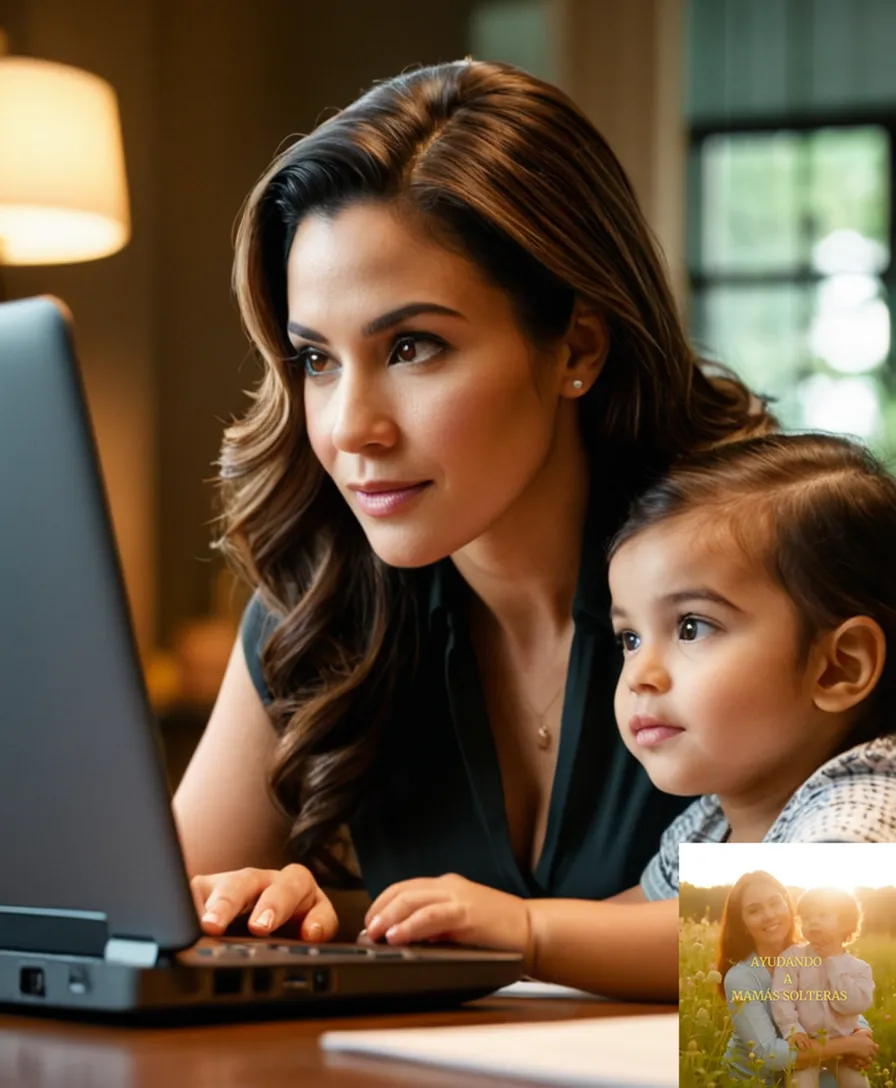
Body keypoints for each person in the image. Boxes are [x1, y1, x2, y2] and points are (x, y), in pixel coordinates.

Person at [171, 58, 770, 999]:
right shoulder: (325, 600)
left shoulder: (775, 575)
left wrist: (528, 936)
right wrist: (258, 912)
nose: (347, 428)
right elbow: (143, 928)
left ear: (576, 345)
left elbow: (831, 964)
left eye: (413, 348)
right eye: (317, 360)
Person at [608, 433, 896, 900]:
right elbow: (620, 932)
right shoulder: (711, 819)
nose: (640, 674)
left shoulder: (867, 805)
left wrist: (531, 932)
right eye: (631, 638)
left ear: (839, 667)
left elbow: (784, 943)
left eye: (691, 628)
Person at [715, 872, 877, 1085]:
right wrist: (849, 1045)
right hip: (757, 1079)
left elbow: (841, 1003)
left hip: (811, 1064)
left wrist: (862, 1032)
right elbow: (767, 1053)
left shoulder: (815, 952)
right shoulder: (741, 977)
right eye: (754, 910)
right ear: (743, 923)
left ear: (788, 906)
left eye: (775, 903)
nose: (769, 915)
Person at [771, 887, 874, 1088]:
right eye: (807, 918)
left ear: (845, 923)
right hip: (807, 1044)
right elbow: (781, 997)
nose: (813, 922)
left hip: (843, 1049)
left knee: (858, 1083)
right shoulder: (792, 958)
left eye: (822, 915)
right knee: (800, 1083)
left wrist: (833, 961)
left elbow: (852, 1005)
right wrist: (792, 1030)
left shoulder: (859, 968)